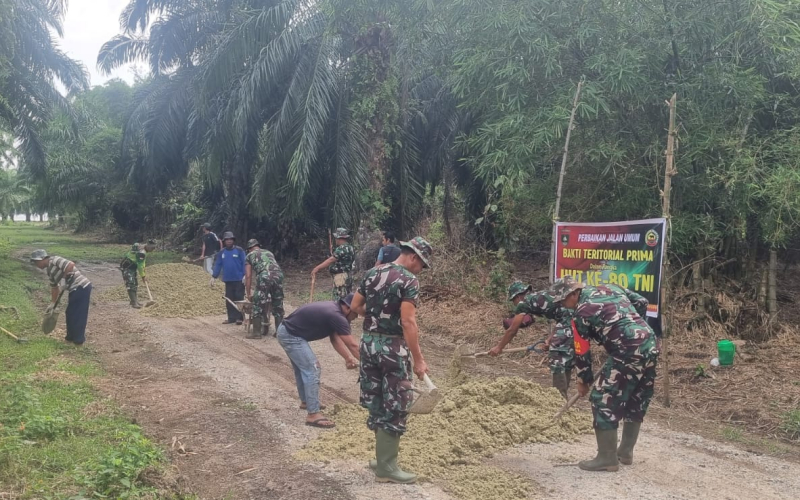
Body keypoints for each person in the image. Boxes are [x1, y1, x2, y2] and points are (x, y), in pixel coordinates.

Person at [547, 276, 659, 472]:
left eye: (563, 300)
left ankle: (607, 458)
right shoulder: (611, 288)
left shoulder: (581, 313)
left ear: (574, 293)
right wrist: (632, 330)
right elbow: (641, 302)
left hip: (627, 350)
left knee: (602, 397)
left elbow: (581, 351)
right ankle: (624, 452)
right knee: (637, 397)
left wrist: (583, 381)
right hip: (649, 342)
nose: (564, 306)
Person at [349, 236, 433, 484]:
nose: (422, 270)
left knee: (376, 398)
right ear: (414, 257)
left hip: (368, 344)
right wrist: (418, 360)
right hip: (392, 348)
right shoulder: (409, 280)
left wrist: (376, 315)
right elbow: (408, 322)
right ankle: (387, 467)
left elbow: (355, 305)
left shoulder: (372, 273)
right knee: (396, 401)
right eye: (422, 265)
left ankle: (380, 458)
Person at [277, 293, 360, 428]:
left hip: (287, 331)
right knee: (312, 368)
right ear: (348, 307)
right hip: (291, 335)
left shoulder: (335, 311)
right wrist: (369, 364)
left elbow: (335, 338)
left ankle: (306, 401)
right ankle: (313, 414)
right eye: (356, 313)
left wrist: (348, 358)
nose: (356, 317)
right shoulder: (337, 315)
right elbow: (353, 345)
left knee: (302, 369)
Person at [490, 281, 575, 398]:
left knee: (558, 359)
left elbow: (512, 330)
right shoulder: (538, 297)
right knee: (565, 358)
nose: (514, 304)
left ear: (518, 296)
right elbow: (563, 317)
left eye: (513, 300)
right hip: (575, 320)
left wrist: (499, 347)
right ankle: (562, 398)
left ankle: (559, 399)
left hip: (571, 321)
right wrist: (550, 339)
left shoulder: (523, 302)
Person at [30, 249, 92, 345]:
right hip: (74, 289)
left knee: (78, 313)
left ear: (41, 259)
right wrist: (53, 303)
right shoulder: (49, 271)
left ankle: (78, 340)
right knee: (70, 312)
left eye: (36, 262)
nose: (36, 265)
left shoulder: (54, 260)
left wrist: (63, 278)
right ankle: (70, 337)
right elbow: (54, 288)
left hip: (81, 286)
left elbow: (70, 264)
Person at [244, 239, 284, 338]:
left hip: (265, 277)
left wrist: (248, 293)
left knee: (257, 303)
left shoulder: (249, 256)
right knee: (278, 304)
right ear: (258, 246)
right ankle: (280, 332)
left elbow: (248, 276)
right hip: (279, 275)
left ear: (249, 249)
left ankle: (256, 333)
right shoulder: (269, 252)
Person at [212, 232, 246, 325]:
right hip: (228, 279)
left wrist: (245, 275)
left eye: (231, 239)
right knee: (229, 299)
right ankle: (231, 318)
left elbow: (245, 263)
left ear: (233, 240)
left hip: (239, 279)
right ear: (224, 241)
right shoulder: (222, 252)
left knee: (239, 299)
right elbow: (218, 264)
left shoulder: (239, 250)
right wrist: (214, 276)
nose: (229, 241)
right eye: (227, 240)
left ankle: (240, 318)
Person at [311, 228, 355, 301]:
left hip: (341, 277)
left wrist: (317, 268)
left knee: (340, 298)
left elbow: (331, 260)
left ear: (339, 238)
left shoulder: (342, 248)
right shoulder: (350, 247)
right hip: (347, 275)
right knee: (346, 296)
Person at [120, 241, 155, 309]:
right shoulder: (141, 253)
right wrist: (143, 276)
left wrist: (144, 273)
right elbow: (140, 266)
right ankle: (134, 302)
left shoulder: (142, 248)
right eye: (152, 248)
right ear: (148, 246)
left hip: (132, 266)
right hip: (127, 266)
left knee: (135, 283)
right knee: (131, 283)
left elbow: (142, 263)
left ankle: (134, 301)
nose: (152, 250)